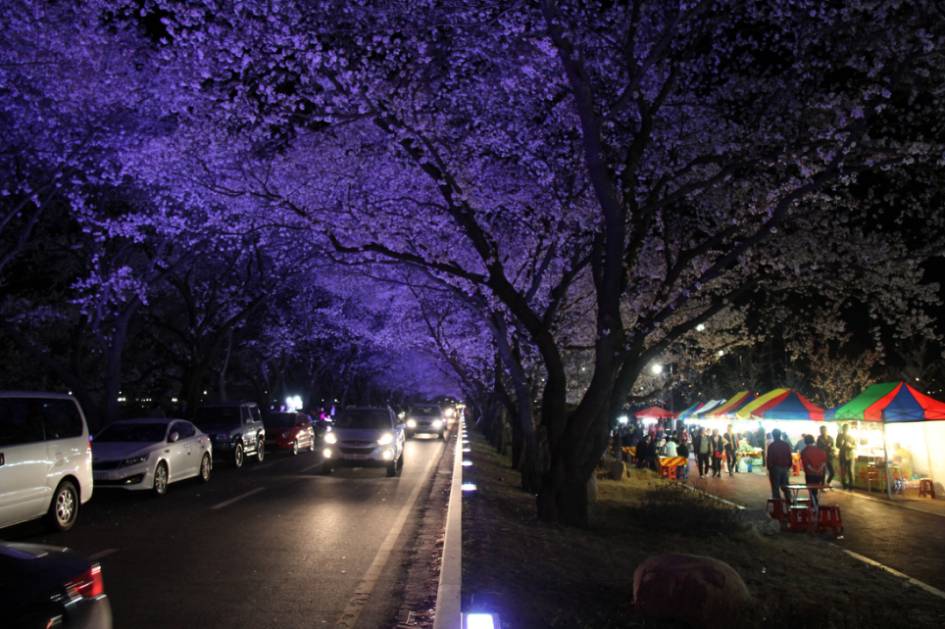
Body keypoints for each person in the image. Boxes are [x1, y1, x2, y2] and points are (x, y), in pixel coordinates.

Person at [800, 434, 827, 506]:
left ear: (805, 441)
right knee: (815, 490)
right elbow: (824, 463)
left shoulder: (804, 451)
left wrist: (814, 470)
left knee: (811, 491)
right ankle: (815, 504)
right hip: (819, 474)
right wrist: (819, 470)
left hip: (810, 474)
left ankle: (814, 505)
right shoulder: (820, 450)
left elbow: (807, 465)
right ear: (813, 441)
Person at [767, 428, 793, 503]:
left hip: (775, 468)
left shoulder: (772, 446)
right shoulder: (785, 445)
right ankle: (789, 501)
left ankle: (777, 504)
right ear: (780, 435)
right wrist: (789, 466)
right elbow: (789, 456)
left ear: (773, 435)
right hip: (785, 467)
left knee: (775, 487)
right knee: (785, 486)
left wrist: (769, 468)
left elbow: (769, 458)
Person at [836, 424, 857, 490]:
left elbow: (855, 446)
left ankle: (851, 486)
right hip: (842, 456)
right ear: (843, 429)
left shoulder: (852, 436)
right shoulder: (839, 436)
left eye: (847, 429)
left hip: (850, 456)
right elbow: (837, 445)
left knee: (850, 471)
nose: (845, 430)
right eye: (844, 428)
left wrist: (850, 446)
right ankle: (844, 485)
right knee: (843, 471)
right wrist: (840, 444)